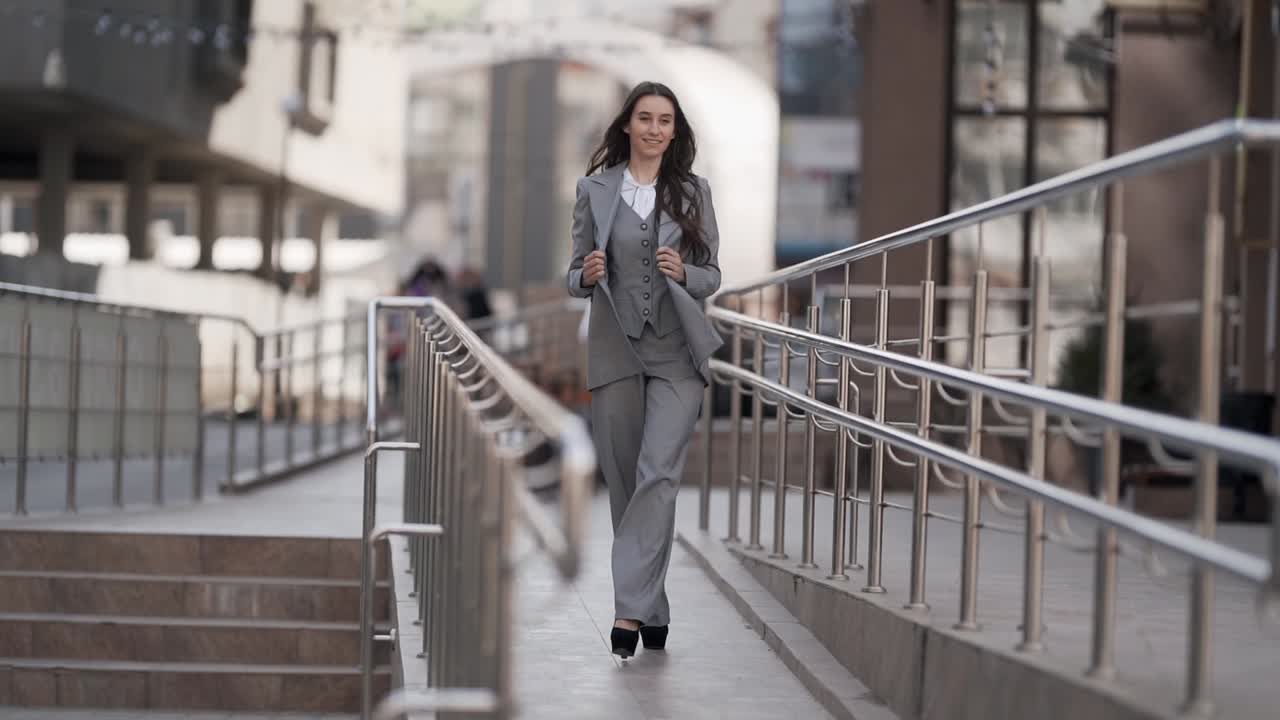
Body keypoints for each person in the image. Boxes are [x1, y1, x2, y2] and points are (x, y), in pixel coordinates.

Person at [565, 81, 723, 658]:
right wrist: (587, 273)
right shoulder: (594, 189)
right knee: (628, 484)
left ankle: (628, 613)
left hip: (676, 353)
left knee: (659, 474)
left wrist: (685, 273)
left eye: (665, 120)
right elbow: (572, 275)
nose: (655, 128)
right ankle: (654, 607)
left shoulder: (693, 192)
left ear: (675, 131)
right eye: (645, 118)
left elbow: (712, 274)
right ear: (627, 125)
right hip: (615, 352)